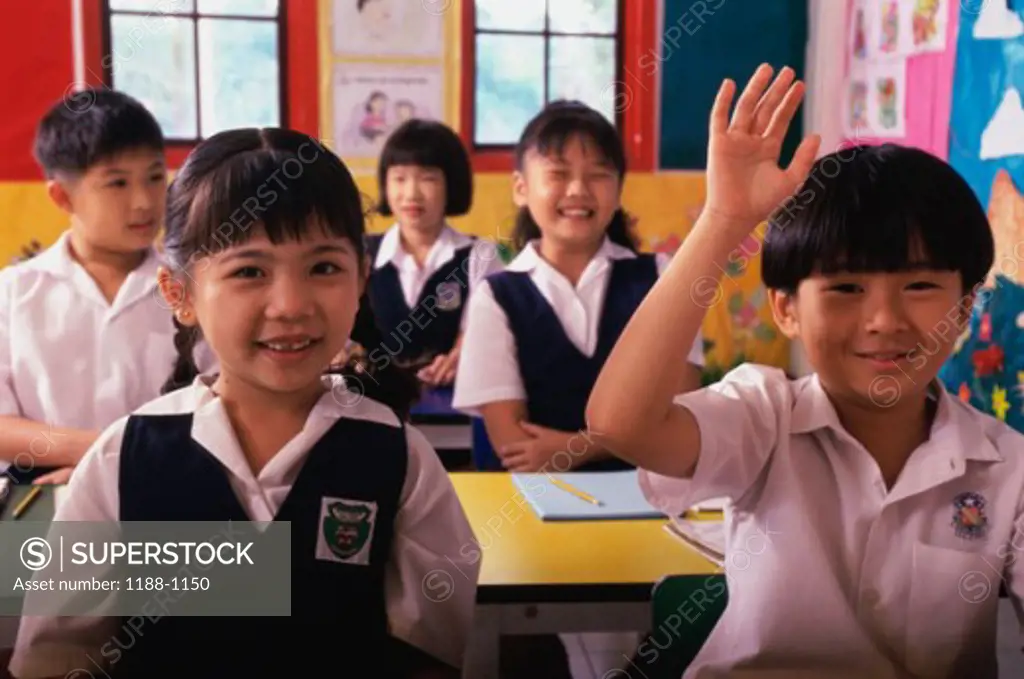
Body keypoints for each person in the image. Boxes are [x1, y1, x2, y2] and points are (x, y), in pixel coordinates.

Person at [587, 64, 1024, 679]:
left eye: (921, 285)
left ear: (964, 303)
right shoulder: (761, 417)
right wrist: (723, 220)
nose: (884, 320)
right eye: (846, 286)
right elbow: (619, 423)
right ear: (786, 309)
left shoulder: (1010, 467)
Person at [8, 128, 479, 679]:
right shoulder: (124, 460)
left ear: (360, 280)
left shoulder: (398, 459)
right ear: (179, 294)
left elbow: (430, 653)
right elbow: (58, 656)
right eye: (249, 271)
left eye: (323, 267)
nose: (290, 305)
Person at [452, 100, 704, 473]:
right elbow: (516, 445)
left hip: (649, 500)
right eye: (558, 173)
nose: (578, 189)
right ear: (521, 188)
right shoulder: (496, 296)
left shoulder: (662, 278)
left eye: (598, 174)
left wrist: (578, 447)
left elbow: (680, 408)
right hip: (532, 506)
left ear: (618, 191)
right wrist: (627, 441)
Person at [0, 88, 210, 486]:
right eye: (117, 184)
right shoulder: (14, 293)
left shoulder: (192, 286)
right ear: (63, 196)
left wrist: (121, 459)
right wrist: (104, 453)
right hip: (42, 498)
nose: (144, 202)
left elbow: (224, 404)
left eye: (153, 177)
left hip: (169, 490)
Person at [352, 118, 503, 387]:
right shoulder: (359, 253)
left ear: (451, 184)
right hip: (371, 404)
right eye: (399, 178)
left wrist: (463, 355)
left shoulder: (480, 256)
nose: (411, 193)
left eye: (427, 179)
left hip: (454, 405)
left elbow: (486, 331)